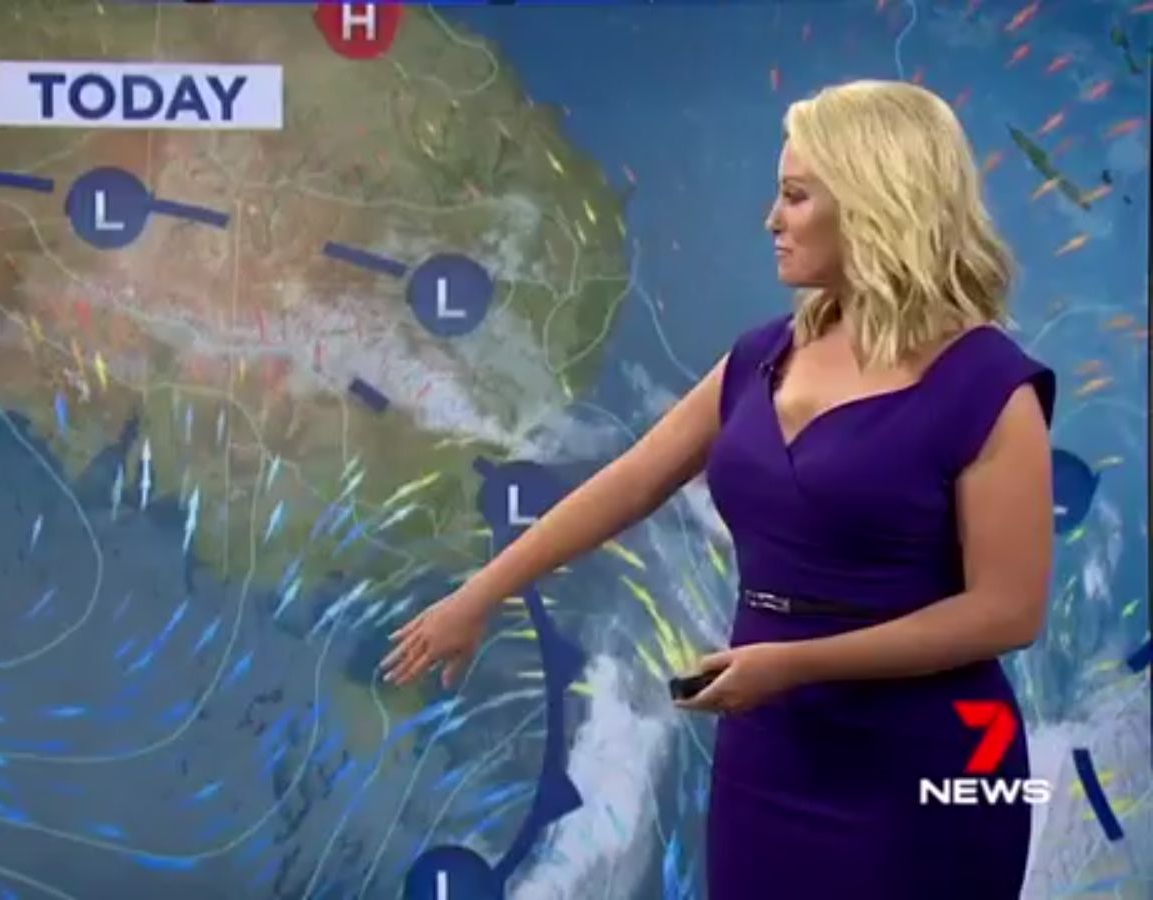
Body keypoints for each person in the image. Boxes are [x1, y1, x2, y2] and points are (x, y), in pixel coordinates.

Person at [380, 79, 1055, 899]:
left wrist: (796, 664)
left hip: (925, 769)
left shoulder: (988, 385)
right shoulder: (762, 357)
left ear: (876, 204)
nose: (771, 219)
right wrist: (482, 593)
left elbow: (1007, 612)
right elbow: (631, 482)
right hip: (768, 752)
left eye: (796, 196)